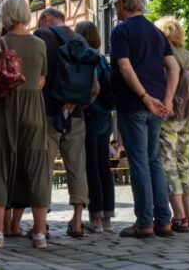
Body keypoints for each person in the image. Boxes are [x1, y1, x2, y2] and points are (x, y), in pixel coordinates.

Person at [109, 0, 179, 239]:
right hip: (157, 105)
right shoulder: (156, 32)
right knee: (153, 161)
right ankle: (164, 221)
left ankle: (145, 223)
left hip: (134, 103)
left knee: (139, 162)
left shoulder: (121, 31)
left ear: (125, 4)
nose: (115, 10)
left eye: (116, 5)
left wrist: (143, 96)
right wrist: (166, 99)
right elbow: (173, 68)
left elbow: (125, 68)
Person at [0, 0, 50, 250]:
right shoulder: (40, 44)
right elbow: (42, 80)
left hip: (3, 111)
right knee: (35, 168)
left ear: (5, 15)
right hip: (34, 111)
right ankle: (40, 234)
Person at [34, 8, 91, 238]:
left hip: (48, 112)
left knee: (44, 168)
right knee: (77, 166)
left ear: (47, 19)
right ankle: (77, 222)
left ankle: (41, 225)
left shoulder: (42, 36)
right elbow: (92, 83)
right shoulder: (81, 40)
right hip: (75, 113)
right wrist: (74, 104)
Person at [155, 17, 189, 233]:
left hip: (171, 114)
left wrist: (167, 100)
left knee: (168, 163)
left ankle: (179, 217)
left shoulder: (165, 54)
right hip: (188, 116)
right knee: (183, 163)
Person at [75, 20, 116, 235]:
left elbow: (86, 87)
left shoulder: (85, 57)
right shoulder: (102, 58)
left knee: (91, 167)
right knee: (104, 168)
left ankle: (96, 218)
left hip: (90, 114)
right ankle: (108, 217)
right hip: (106, 116)